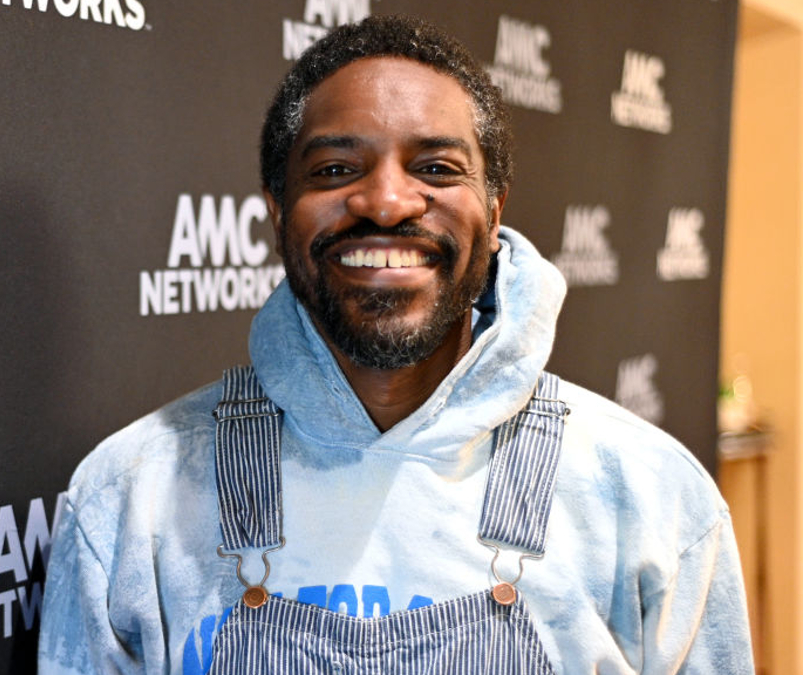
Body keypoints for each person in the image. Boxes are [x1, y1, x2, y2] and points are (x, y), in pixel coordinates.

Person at [38, 14, 754, 674]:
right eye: (335, 170)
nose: (386, 202)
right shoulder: (132, 499)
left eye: (437, 169)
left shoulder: (652, 501)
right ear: (277, 210)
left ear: (494, 207)